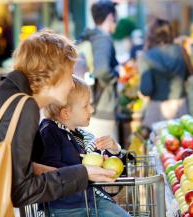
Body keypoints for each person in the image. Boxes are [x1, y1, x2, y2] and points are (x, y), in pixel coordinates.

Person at [0, 30, 116, 207]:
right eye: (69, 73)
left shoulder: (2, 92)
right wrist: (82, 174)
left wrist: (75, 173)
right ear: (52, 74)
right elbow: (21, 191)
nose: (72, 84)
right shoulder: (25, 106)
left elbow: (13, 166)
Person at [39, 76, 130, 217]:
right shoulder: (49, 133)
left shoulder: (83, 135)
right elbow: (51, 170)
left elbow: (108, 168)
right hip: (66, 208)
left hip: (91, 201)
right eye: (86, 105)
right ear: (66, 113)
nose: (92, 109)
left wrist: (114, 150)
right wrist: (83, 171)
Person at [79, 0, 119, 140]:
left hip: (93, 106)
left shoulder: (91, 36)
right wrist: (117, 74)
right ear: (110, 17)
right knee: (109, 155)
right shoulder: (103, 39)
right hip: (103, 109)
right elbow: (102, 71)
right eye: (115, 17)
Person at [139, 18, 189, 127]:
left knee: (159, 142)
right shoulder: (181, 50)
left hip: (157, 108)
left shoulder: (147, 56)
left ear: (151, 34)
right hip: (181, 106)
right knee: (183, 140)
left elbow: (146, 89)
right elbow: (189, 75)